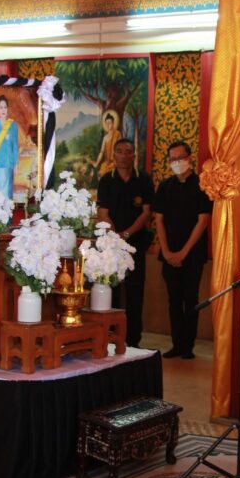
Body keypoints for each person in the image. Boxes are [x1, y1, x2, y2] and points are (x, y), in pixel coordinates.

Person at [153, 140, 212, 360]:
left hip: (193, 255)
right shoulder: (165, 186)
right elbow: (159, 220)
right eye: (173, 159)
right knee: (174, 300)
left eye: (180, 158)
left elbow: (203, 221)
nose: (177, 162)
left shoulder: (202, 185)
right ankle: (176, 343)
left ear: (190, 158)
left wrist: (184, 252)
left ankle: (188, 346)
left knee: (191, 299)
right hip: (169, 254)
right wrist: (167, 251)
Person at [96, 138, 154, 348]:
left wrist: (127, 234)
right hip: (111, 246)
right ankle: (111, 336)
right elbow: (103, 213)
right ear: (114, 155)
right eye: (119, 151)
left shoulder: (144, 180)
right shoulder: (106, 180)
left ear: (134, 155)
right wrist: (115, 236)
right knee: (111, 290)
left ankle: (133, 340)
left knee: (135, 292)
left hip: (135, 244)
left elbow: (147, 213)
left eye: (128, 151)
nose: (123, 155)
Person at [93, 111, 121, 179]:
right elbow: (102, 152)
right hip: (108, 163)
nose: (108, 125)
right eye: (107, 123)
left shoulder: (117, 134)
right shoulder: (105, 137)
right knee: (100, 173)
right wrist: (97, 163)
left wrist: (115, 163)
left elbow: (120, 150)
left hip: (116, 162)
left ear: (113, 123)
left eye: (110, 123)